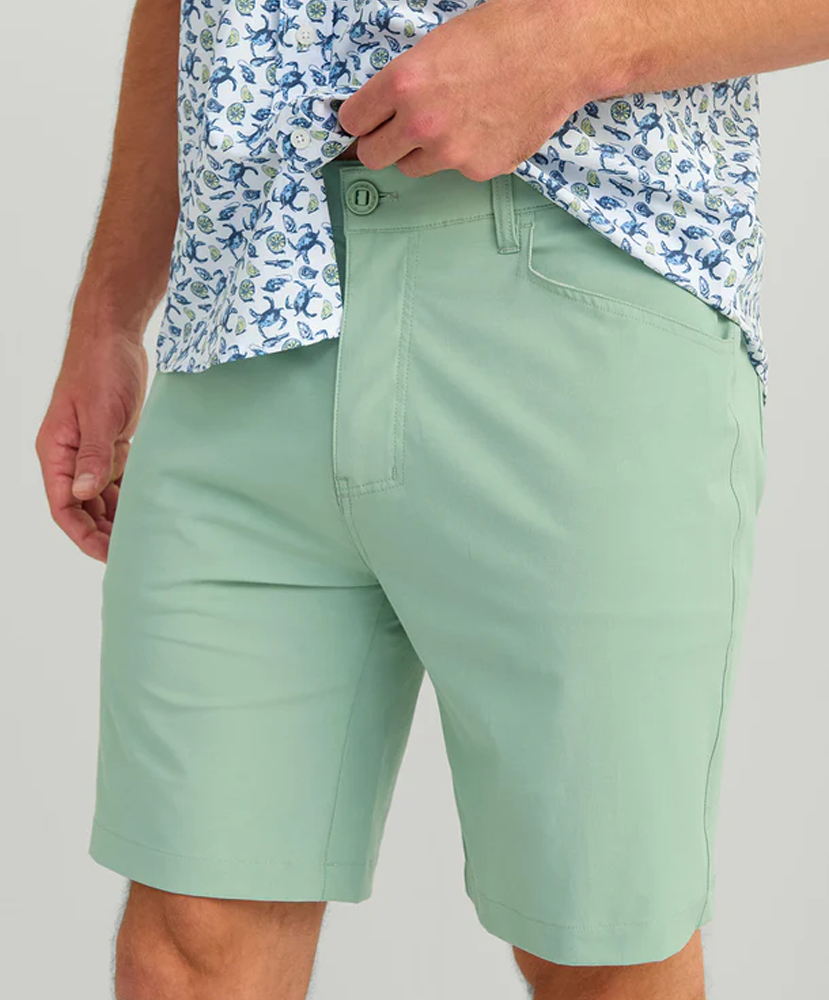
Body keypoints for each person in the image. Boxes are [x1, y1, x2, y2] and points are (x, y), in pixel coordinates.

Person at [35, 0, 828, 996]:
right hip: (242, 306)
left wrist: (580, 42)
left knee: (599, 947)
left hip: (577, 285)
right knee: (187, 944)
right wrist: (109, 313)